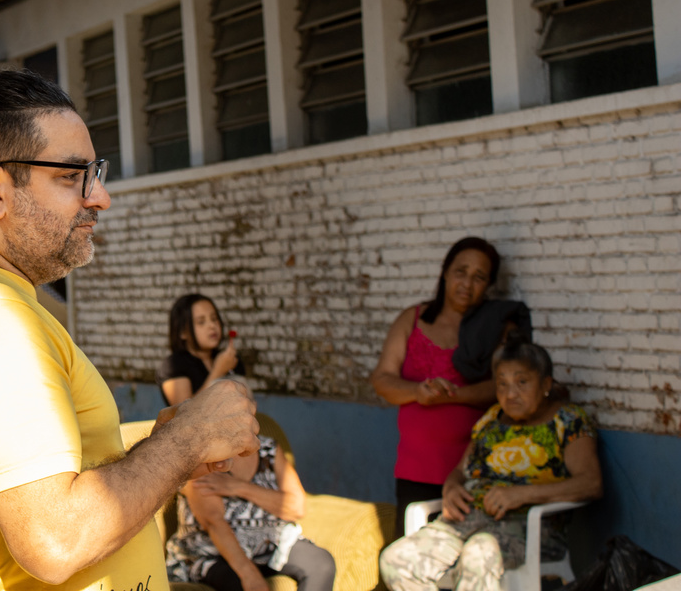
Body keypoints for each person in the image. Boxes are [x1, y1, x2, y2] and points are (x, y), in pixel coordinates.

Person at [0, 69, 259, 591]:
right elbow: (56, 540)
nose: (99, 197)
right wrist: (187, 442)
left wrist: (164, 449)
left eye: (94, 172)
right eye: (71, 175)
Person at [379, 339, 602, 591]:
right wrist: (450, 488)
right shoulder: (491, 420)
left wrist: (522, 494)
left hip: (527, 531)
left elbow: (591, 483)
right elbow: (461, 471)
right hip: (465, 521)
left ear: (546, 384)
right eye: (502, 384)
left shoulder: (569, 422)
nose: (510, 394)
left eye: (522, 382)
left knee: (479, 552)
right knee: (395, 561)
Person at [370, 237, 531, 536]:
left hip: (473, 471)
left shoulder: (498, 330)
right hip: (415, 467)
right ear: (445, 272)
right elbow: (382, 379)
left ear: (489, 286)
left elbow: (508, 389)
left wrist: (450, 396)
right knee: (408, 557)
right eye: (461, 272)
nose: (467, 283)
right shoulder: (412, 319)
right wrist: (418, 392)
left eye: (479, 277)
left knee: (462, 563)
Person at [166, 386, 335, 591]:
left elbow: (297, 508)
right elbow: (214, 523)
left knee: (322, 564)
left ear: (253, 409)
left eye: (241, 406)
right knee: (239, 584)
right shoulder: (201, 455)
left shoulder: (269, 450)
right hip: (212, 552)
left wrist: (238, 487)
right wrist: (249, 574)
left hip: (268, 543)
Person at [158, 293, 245, 406]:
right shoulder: (174, 365)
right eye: (201, 322)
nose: (212, 326)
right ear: (183, 332)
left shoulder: (231, 360)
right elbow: (183, 413)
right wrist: (217, 372)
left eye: (214, 319)